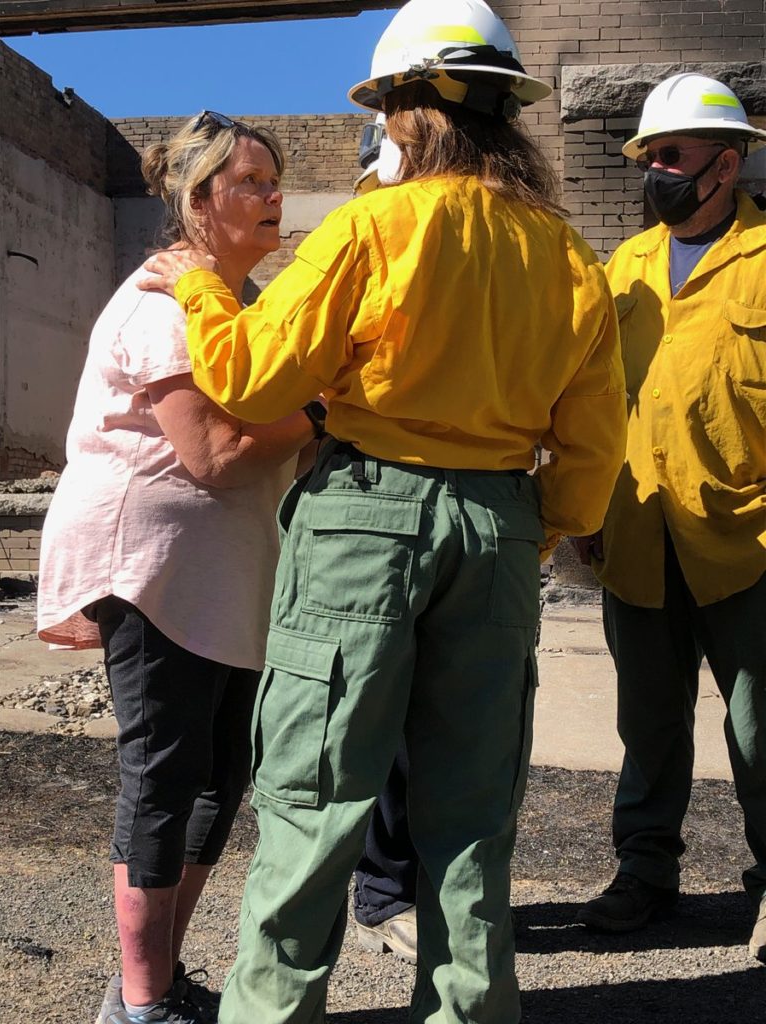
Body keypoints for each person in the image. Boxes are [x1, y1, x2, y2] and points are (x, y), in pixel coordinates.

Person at [141, 2, 627, 1020]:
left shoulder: (370, 227)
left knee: (318, 794)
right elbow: (591, 451)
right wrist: (522, 529)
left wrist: (197, 291)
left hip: (367, 520)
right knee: (470, 810)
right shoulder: (569, 253)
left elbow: (251, 374)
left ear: (410, 112)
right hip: (497, 527)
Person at [37, 112, 325, 1024]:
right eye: (252, 183)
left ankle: (147, 981)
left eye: (275, 180)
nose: (275, 196)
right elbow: (212, 454)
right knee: (163, 773)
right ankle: (140, 1002)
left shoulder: (232, 306)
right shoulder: (164, 304)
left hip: (223, 568)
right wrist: (323, 412)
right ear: (199, 201)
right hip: (155, 565)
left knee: (218, 774)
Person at [571, 73, 766, 965]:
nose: (656, 172)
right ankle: (644, 871)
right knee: (647, 726)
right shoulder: (627, 266)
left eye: (673, 157)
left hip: (747, 543)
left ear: (727, 164)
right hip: (637, 534)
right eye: (649, 157)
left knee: (761, 728)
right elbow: (595, 400)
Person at [349, 110, 420, 965]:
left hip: (433, 504)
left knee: (432, 720)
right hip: (365, 505)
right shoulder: (356, 239)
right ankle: (384, 887)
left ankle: (404, 885)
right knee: (375, 716)